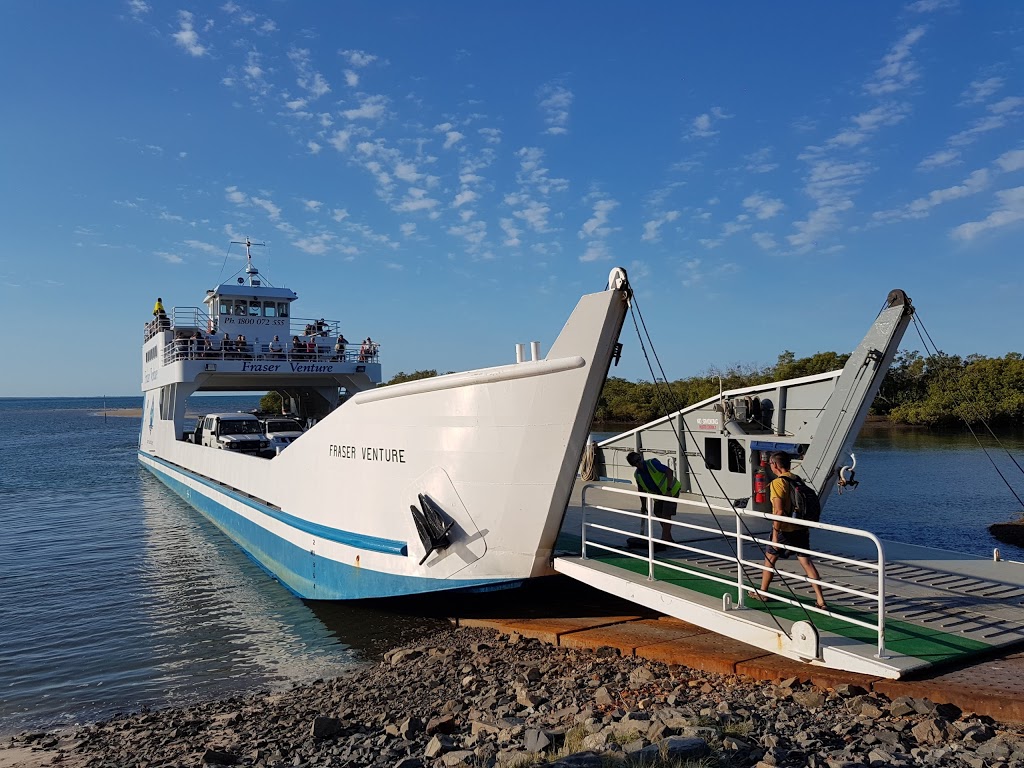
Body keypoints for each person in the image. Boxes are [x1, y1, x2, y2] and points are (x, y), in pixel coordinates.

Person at [749, 452, 827, 609]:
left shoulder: (778, 483)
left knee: (769, 561)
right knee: (807, 563)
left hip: (785, 530)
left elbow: (778, 512)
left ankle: (763, 593)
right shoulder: (796, 479)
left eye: (771, 464)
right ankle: (820, 600)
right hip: (801, 528)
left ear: (775, 465)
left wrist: (775, 536)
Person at [625, 452, 680, 548]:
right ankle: (668, 538)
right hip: (658, 495)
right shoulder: (638, 475)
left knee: (666, 514)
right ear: (633, 465)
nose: (639, 462)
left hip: (671, 491)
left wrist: (669, 489)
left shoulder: (652, 464)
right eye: (636, 462)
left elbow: (669, 472)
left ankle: (664, 540)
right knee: (658, 513)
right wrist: (643, 506)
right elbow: (641, 491)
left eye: (639, 459)